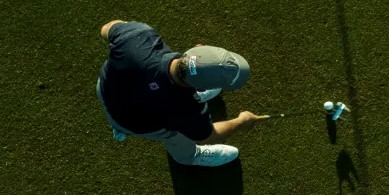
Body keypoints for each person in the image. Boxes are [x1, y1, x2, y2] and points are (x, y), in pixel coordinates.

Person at [97, 20, 268, 167]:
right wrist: (241, 122)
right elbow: (207, 135)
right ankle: (188, 157)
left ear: (198, 48)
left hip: (107, 87)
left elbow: (107, 29)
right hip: (127, 118)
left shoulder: (138, 36)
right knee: (175, 134)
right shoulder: (186, 110)